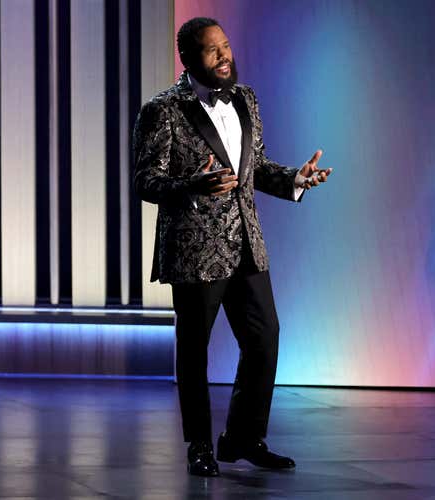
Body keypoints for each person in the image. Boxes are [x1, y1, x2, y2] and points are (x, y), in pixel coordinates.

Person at [133, 17, 331, 477]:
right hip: (195, 250)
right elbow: (146, 180)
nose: (224, 57)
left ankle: (242, 438)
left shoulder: (245, 98)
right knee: (194, 351)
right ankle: (199, 445)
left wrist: (294, 179)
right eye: (211, 50)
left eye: (225, 47)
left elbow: (253, 167)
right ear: (187, 58)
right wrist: (193, 185)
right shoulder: (162, 110)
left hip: (245, 243)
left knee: (265, 338)